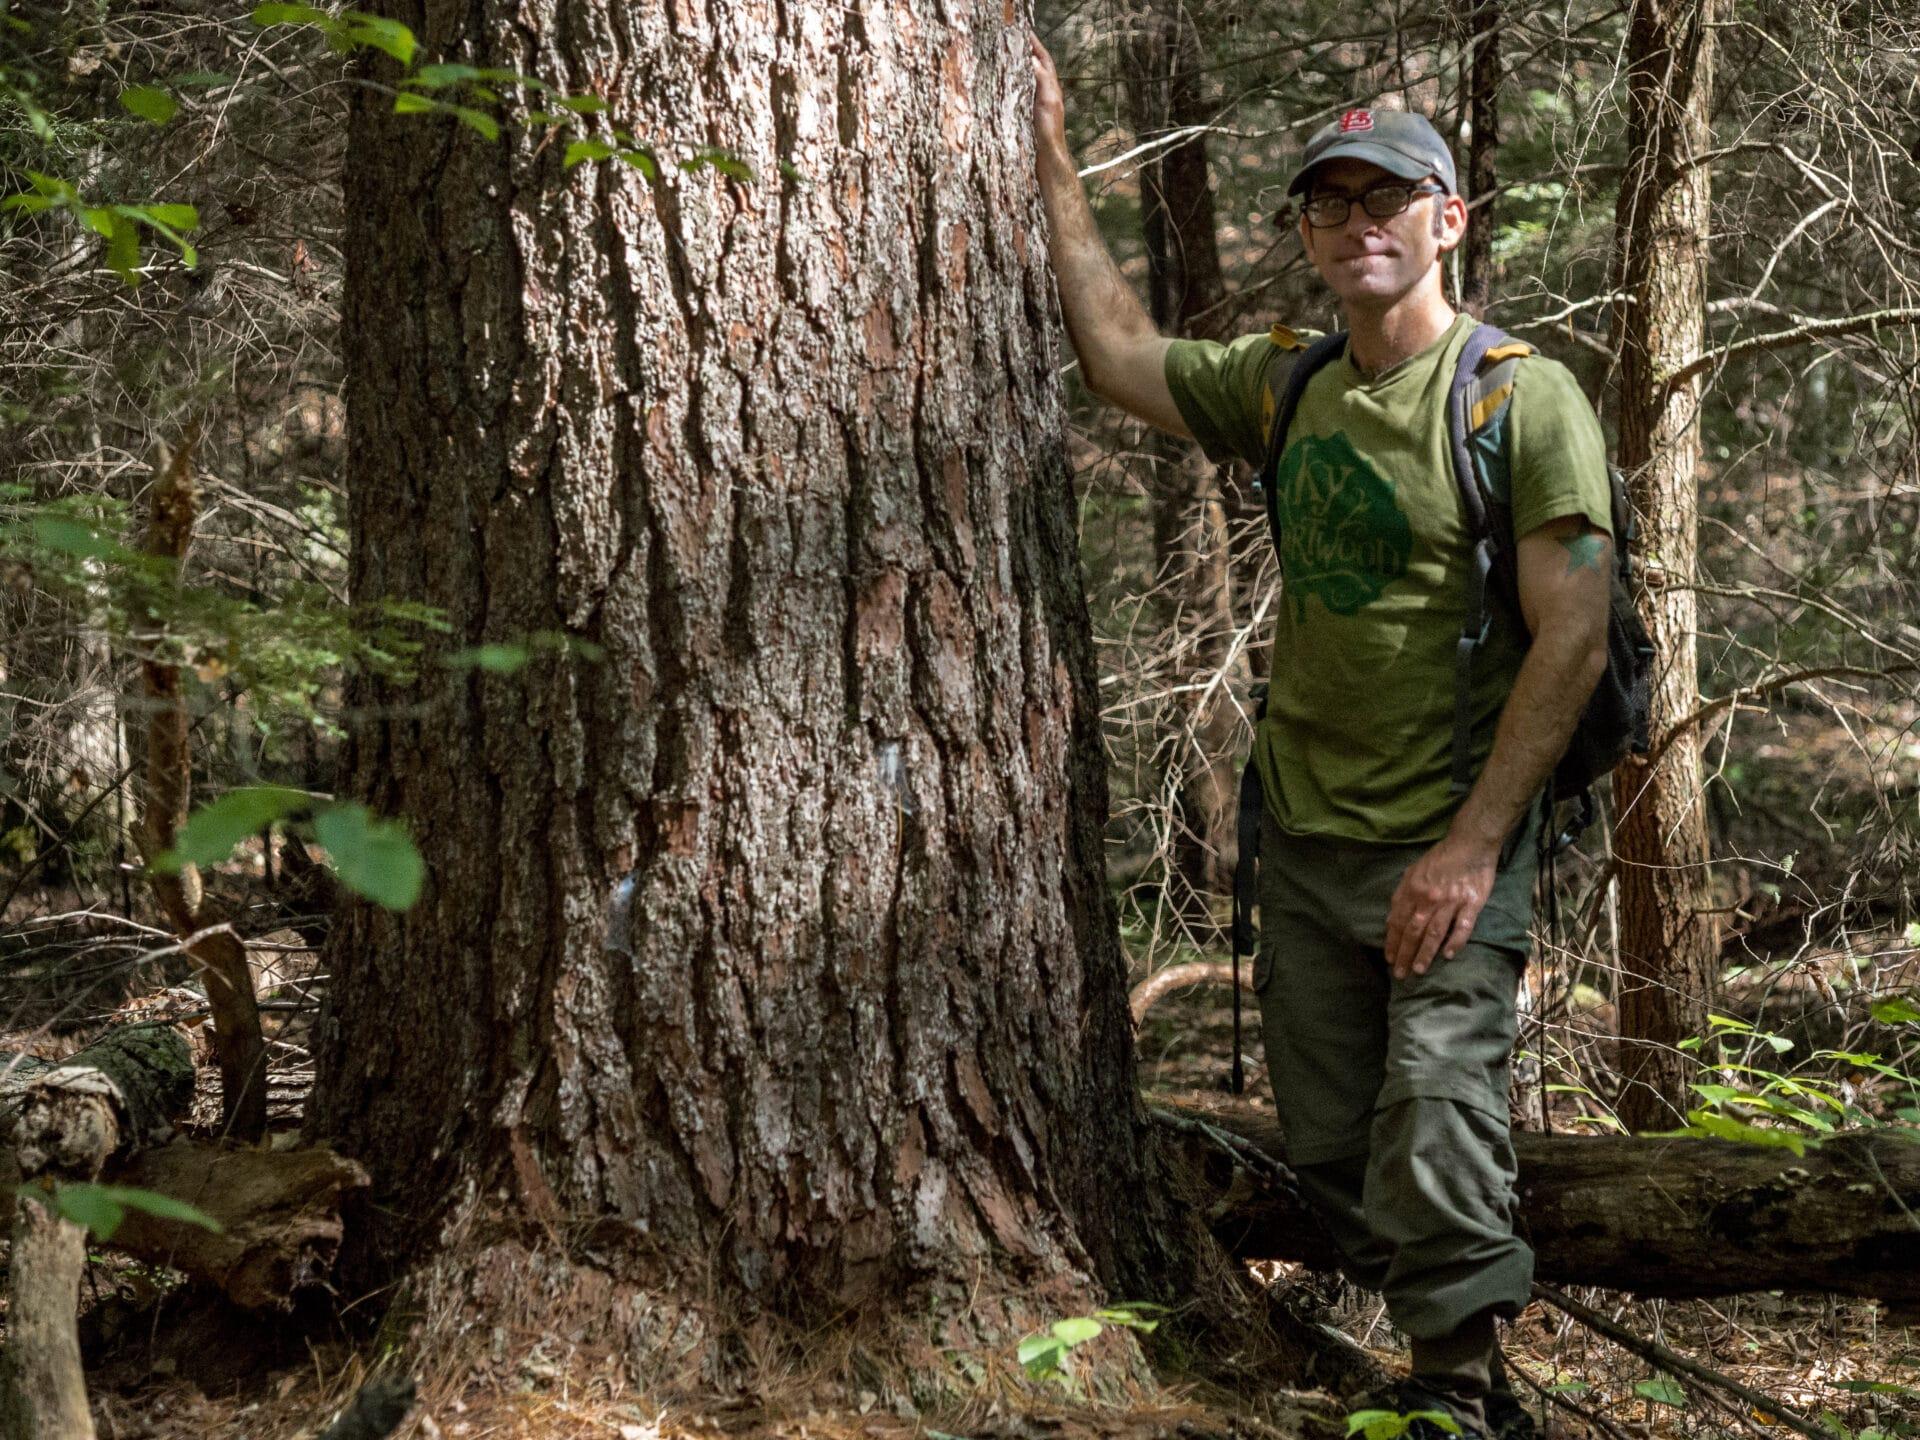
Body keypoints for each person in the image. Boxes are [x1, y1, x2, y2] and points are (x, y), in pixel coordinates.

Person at [1030, 35, 1615, 1440]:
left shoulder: (1518, 398)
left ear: (1448, 219)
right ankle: (1437, 1353)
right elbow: (1117, 356)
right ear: (1304, 228)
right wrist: (1047, 151)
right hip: (1301, 845)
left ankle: (1460, 1400)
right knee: (1344, 1146)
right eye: (1329, 203)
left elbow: (1577, 635)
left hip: (1447, 841)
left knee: (1438, 1110)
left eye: (1389, 198)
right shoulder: (1291, 384)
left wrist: (1475, 848)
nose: (1360, 223)